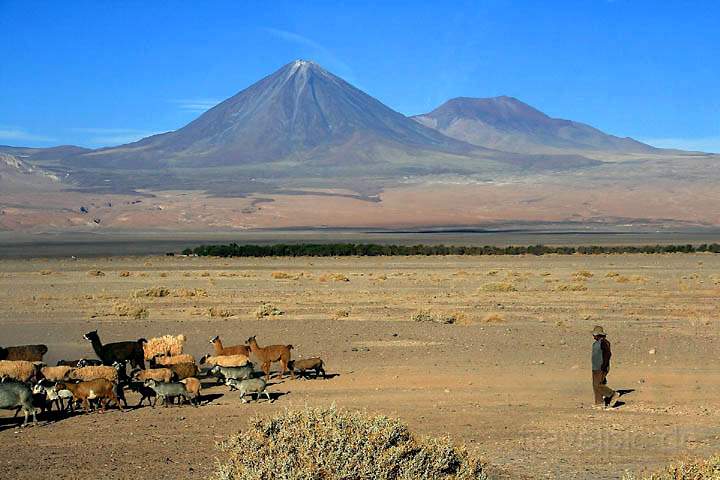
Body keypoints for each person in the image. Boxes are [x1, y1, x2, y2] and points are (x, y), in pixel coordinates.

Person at [591, 325, 620, 408]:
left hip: (600, 367)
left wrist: (604, 365)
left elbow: (607, 354)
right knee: (596, 385)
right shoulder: (597, 343)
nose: (593, 336)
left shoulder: (603, 342)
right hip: (596, 367)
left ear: (597, 335)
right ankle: (599, 403)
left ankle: (612, 394)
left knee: (598, 385)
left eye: (594, 335)